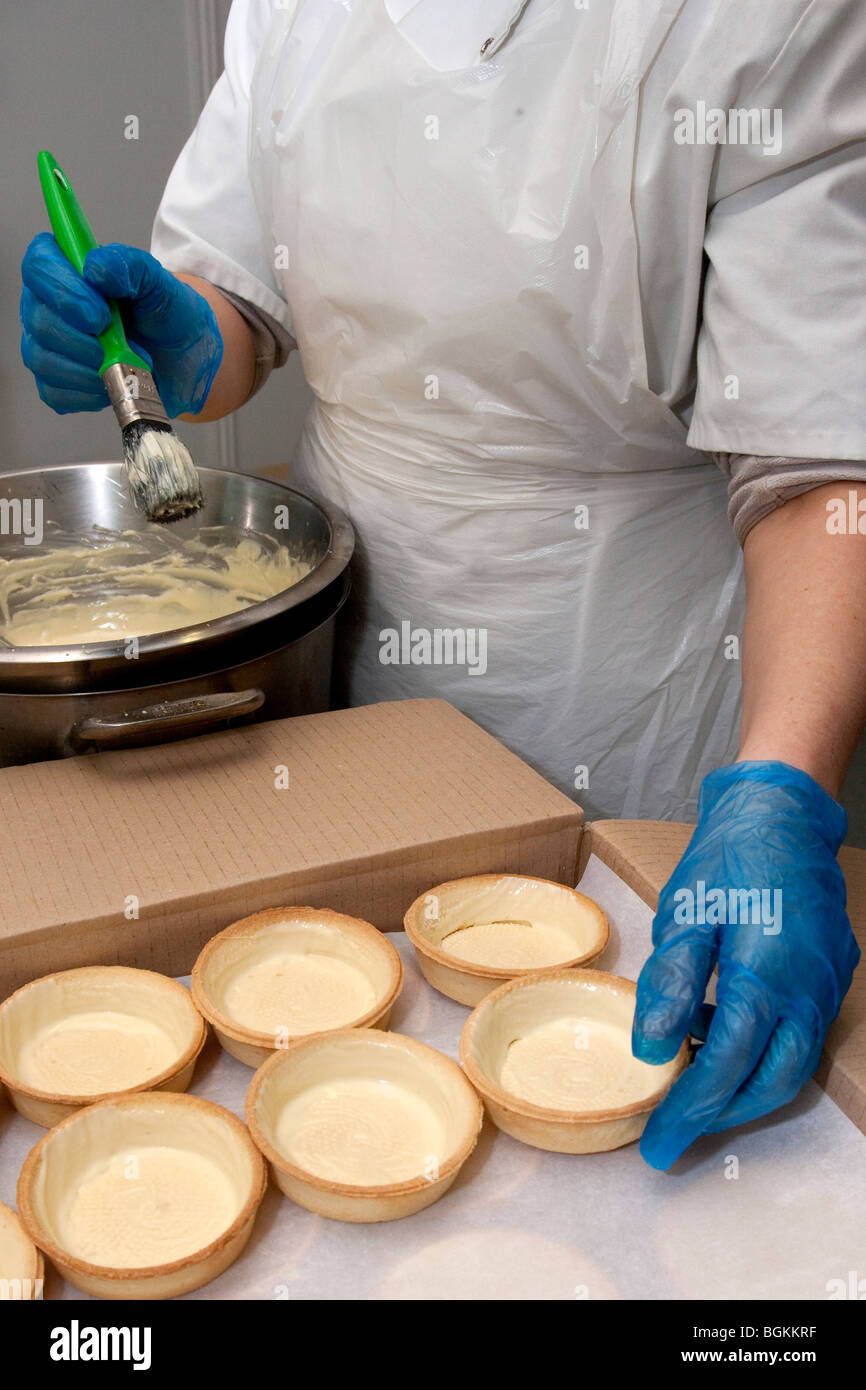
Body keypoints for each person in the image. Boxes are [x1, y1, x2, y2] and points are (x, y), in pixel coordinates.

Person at [20, 0, 866, 1169]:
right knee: (350, 1023)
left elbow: (821, 466)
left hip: (627, 671)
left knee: (606, 1048)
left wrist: (780, 794)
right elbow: (248, 300)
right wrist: (187, 342)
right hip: (352, 649)